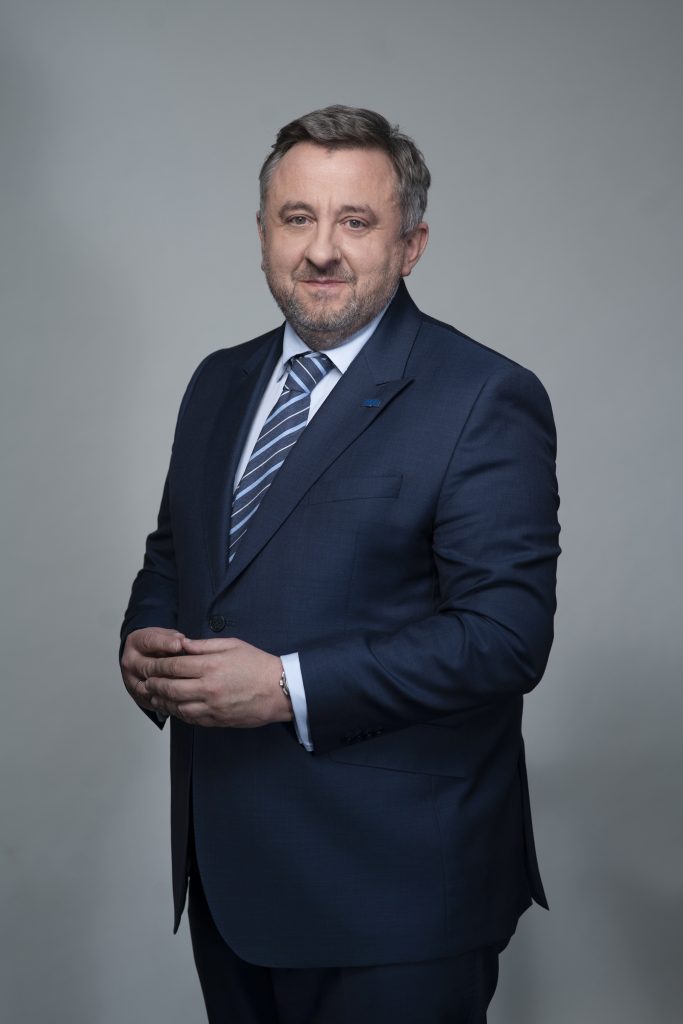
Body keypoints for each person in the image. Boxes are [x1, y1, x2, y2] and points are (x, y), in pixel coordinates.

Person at [120, 104, 560, 1023]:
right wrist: (146, 634)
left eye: (355, 221)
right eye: (298, 218)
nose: (321, 249)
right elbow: (176, 551)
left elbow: (503, 639)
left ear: (411, 245)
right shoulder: (217, 381)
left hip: (397, 893)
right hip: (230, 874)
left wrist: (285, 686)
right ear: (262, 234)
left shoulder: (482, 395)